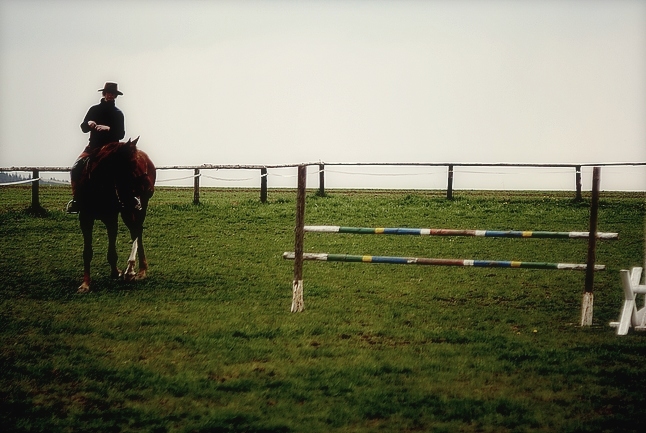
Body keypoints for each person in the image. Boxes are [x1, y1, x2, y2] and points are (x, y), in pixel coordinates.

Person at [67, 82, 126, 213]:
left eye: (113, 94)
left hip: (112, 149)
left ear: (115, 96)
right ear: (104, 94)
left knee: (127, 169)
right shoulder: (94, 109)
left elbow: (121, 134)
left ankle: (129, 200)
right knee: (76, 168)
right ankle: (76, 199)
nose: (110, 95)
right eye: (109, 93)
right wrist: (88, 123)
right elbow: (83, 127)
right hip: (93, 147)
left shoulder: (118, 114)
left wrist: (108, 128)